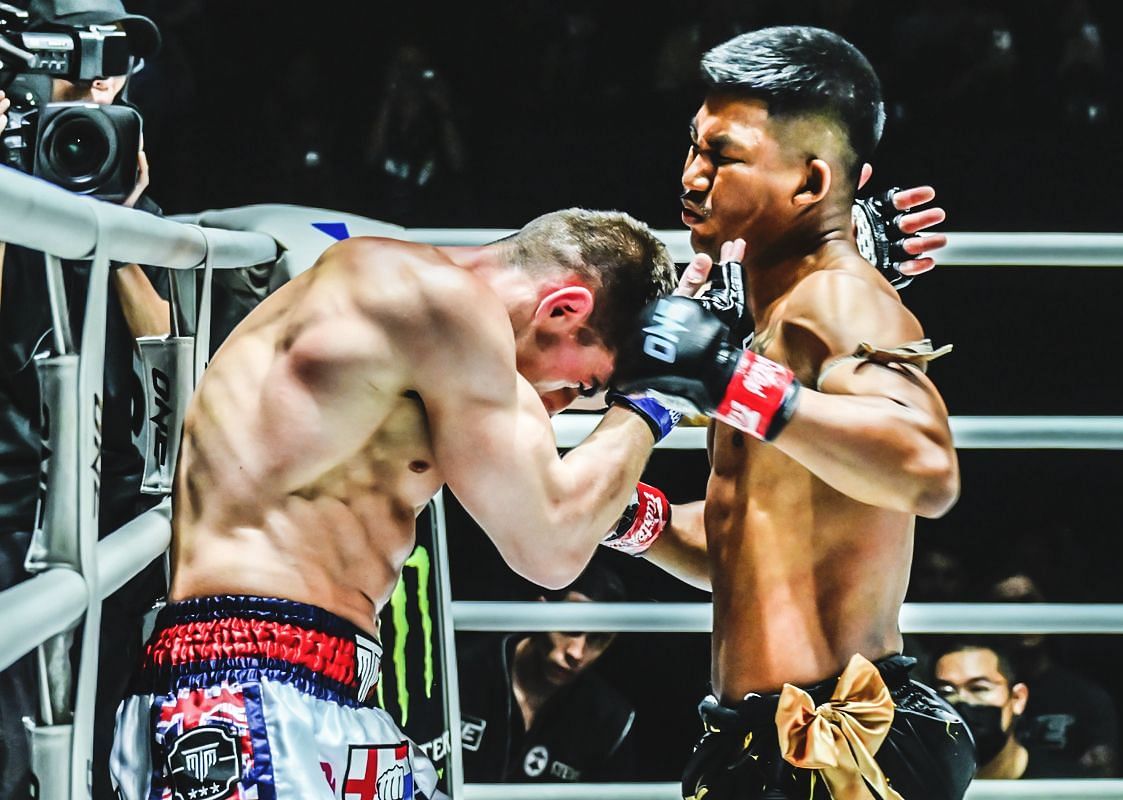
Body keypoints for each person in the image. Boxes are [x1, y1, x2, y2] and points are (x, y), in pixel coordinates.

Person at [109, 209, 687, 800]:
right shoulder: (445, 307)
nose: (562, 406)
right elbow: (551, 550)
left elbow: (556, 509)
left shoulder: (422, 312)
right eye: (583, 385)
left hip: (311, 683)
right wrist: (655, 400)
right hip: (247, 687)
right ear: (563, 310)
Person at [602, 26, 975, 798]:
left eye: (724, 155)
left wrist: (726, 378)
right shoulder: (771, 324)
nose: (693, 176)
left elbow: (925, 468)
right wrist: (621, 515)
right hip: (755, 742)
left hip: (835, 756)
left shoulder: (839, 301)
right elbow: (747, 544)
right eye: (694, 147)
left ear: (809, 183)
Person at [0, 2, 165, 796]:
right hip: (11, 505)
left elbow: (170, 353)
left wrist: (119, 230)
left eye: (118, 55)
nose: (104, 73)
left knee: (96, 748)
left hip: (110, 506)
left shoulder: (109, 167)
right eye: (81, 51)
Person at [406, 560, 635, 785]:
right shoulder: (459, 670)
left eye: (597, 639)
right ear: (538, 610)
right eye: (571, 625)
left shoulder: (609, 719)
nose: (576, 652)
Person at [987, 571, 1119, 777]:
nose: (1019, 616)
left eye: (1028, 603)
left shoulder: (1086, 697)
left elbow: (1100, 774)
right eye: (1006, 606)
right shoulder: (983, 697)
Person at [934, 640, 1063, 779]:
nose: (961, 703)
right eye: (946, 692)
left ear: (1017, 698)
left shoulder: (1063, 787)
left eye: (978, 688)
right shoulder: (925, 785)